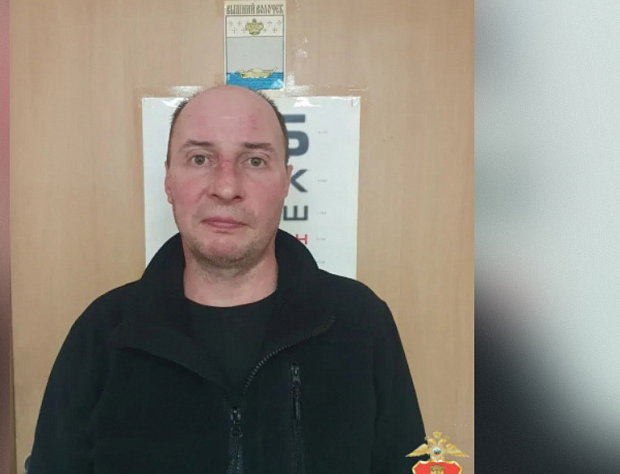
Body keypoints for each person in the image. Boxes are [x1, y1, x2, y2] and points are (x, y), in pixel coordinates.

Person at [29, 85, 426, 473]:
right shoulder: (103, 333)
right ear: (168, 180)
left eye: (254, 161)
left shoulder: (360, 322)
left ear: (286, 182)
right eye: (200, 158)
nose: (226, 187)